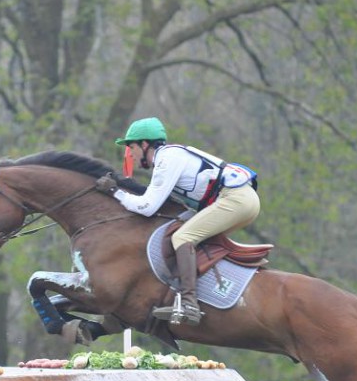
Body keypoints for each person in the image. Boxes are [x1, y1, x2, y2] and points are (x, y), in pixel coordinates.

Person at [96, 117, 260, 325]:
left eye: (131, 148)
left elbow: (147, 207)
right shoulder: (169, 158)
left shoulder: (167, 158)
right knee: (187, 235)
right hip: (238, 199)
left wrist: (114, 191)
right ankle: (199, 294)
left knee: (183, 237)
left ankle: (189, 303)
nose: (131, 156)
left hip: (235, 199)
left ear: (145, 144)